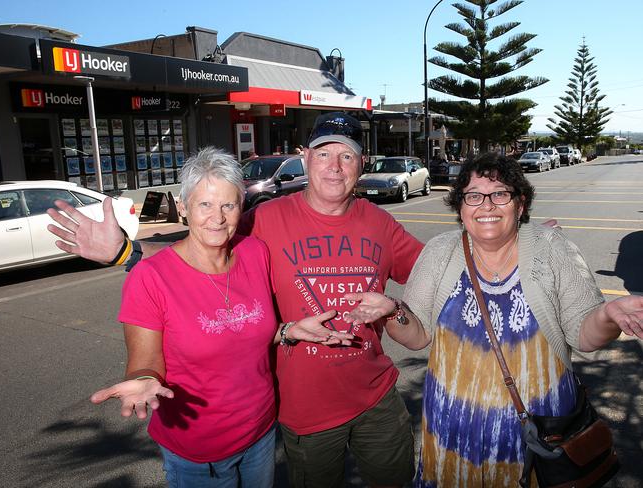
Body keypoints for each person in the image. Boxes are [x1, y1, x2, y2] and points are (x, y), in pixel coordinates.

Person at [47, 113, 423, 488]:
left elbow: (433, 271)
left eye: (347, 156)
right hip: (303, 412)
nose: (335, 167)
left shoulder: (379, 224)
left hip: (368, 399)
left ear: (361, 164)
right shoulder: (264, 220)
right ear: (305, 157)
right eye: (324, 154)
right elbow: (197, 246)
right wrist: (125, 251)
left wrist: (476, 239)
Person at [344, 152, 643, 487]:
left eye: (499, 194)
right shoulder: (439, 252)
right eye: (473, 196)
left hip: (537, 431)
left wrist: (607, 315)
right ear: (460, 206)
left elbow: (584, 337)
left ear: (520, 203)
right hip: (453, 432)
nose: (486, 205)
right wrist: (392, 309)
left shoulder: (552, 249)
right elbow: (417, 336)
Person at [79, 147, 353, 487]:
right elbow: (145, 359)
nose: (218, 217)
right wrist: (146, 379)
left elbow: (247, 329)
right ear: (183, 207)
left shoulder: (255, 253)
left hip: (261, 434)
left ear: (241, 206)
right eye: (205, 204)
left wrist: (290, 330)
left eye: (228, 204)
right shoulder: (150, 277)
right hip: (198, 451)